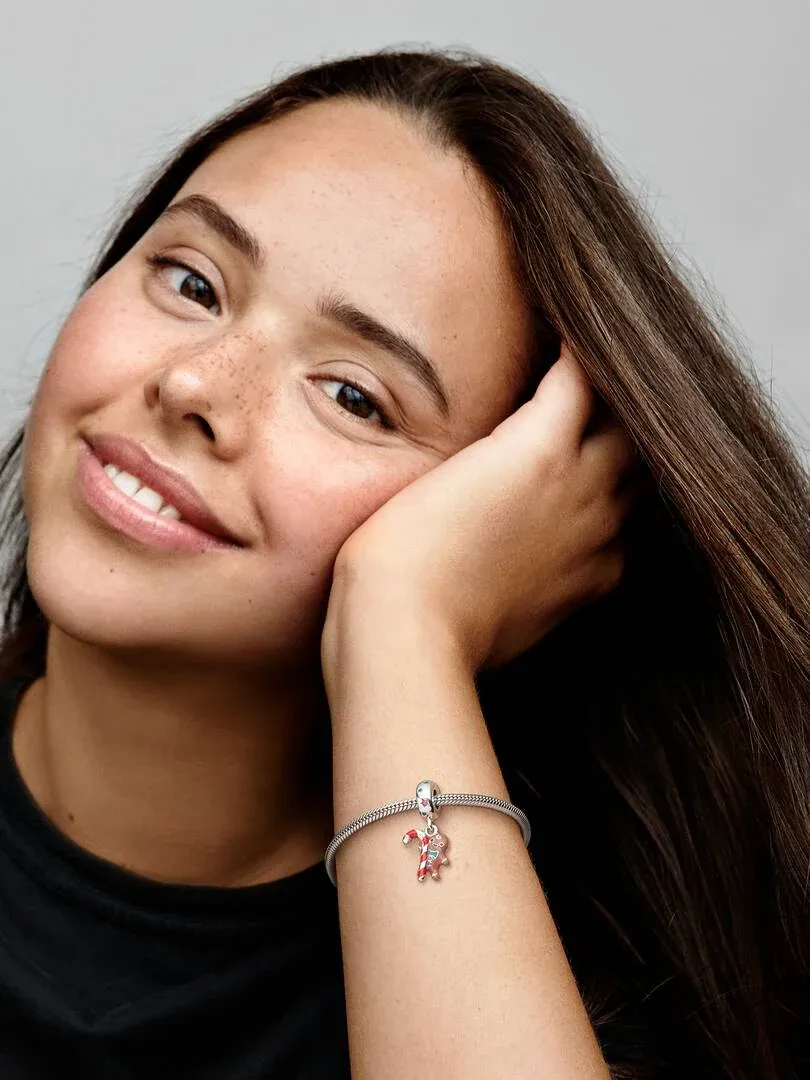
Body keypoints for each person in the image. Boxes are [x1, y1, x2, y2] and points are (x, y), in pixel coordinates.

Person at [0, 44, 806, 1080]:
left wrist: (406, 624)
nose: (195, 384)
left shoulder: (589, 1013)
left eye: (353, 396)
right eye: (193, 282)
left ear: (512, 519)